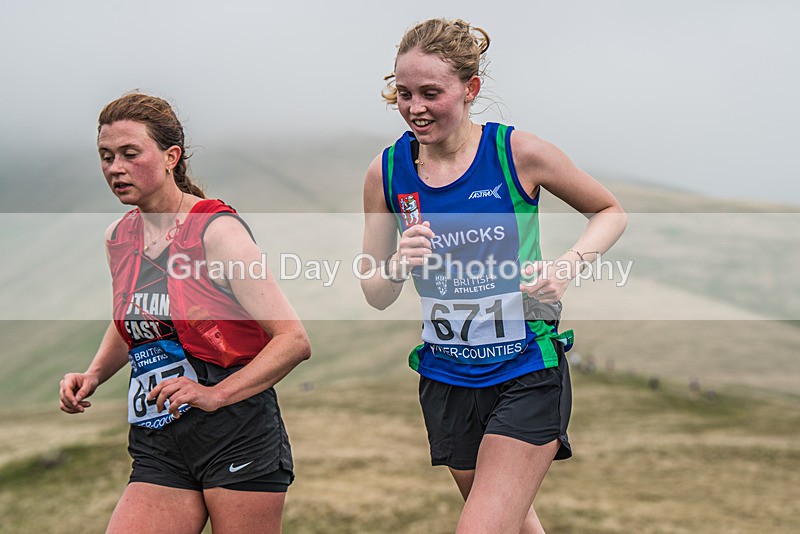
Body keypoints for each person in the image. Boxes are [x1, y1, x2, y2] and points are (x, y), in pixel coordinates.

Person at [360, 19, 626, 533]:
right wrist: (395, 267)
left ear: (470, 89)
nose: (415, 107)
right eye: (404, 92)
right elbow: (373, 291)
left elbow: (609, 211)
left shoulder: (517, 154)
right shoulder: (386, 171)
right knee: (514, 524)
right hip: (447, 378)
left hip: (525, 368)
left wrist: (566, 269)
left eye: (431, 93)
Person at [59, 93, 311, 533]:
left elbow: (293, 340)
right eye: (106, 156)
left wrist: (215, 395)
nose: (115, 168)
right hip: (159, 436)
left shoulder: (218, 233)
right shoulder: (118, 236)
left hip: (236, 432)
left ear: (171, 156)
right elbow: (135, 320)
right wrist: (95, 373)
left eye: (130, 154)